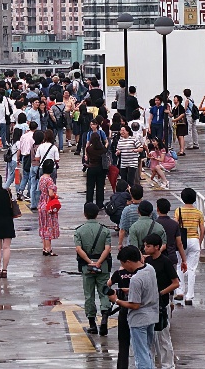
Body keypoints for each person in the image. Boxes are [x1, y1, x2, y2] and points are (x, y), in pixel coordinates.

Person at [107, 246, 158, 369]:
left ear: (128, 261)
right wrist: (129, 290)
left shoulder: (136, 279)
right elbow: (146, 289)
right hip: (152, 316)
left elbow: (135, 305)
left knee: (141, 355)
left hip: (139, 320)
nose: (123, 267)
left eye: (123, 264)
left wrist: (116, 300)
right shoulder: (150, 269)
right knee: (147, 351)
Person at [75, 203, 113, 336]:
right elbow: (107, 248)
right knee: (104, 292)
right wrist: (99, 262)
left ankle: (92, 324)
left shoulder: (79, 231)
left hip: (87, 266)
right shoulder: (104, 230)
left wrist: (90, 262)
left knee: (89, 295)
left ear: (85, 214)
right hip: (102, 266)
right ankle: (104, 319)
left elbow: (78, 249)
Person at [143, 233, 179, 369]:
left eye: (148, 246)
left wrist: (160, 293)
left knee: (163, 337)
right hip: (149, 305)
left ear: (157, 247)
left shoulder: (165, 262)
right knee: (150, 338)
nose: (145, 248)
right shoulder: (147, 262)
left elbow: (175, 283)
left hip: (162, 305)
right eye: (145, 246)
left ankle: (168, 365)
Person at [174, 188, 205, 305]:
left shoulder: (178, 211)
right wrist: (199, 241)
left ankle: (180, 291)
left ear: (182, 198)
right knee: (192, 269)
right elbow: (202, 229)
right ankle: (189, 296)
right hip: (194, 240)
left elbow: (175, 226)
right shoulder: (198, 213)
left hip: (182, 241)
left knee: (179, 266)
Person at [37, 159, 60, 256]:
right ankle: (48, 249)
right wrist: (55, 195)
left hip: (42, 203)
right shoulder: (49, 180)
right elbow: (50, 193)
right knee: (49, 226)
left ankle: (44, 247)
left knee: (43, 226)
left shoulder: (42, 178)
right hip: (48, 204)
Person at [84, 132, 108, 207]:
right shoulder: (103, 149)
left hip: (91, 168)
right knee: (100, 187)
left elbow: (88, 156)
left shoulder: (89, 149)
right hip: (101, 168)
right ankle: (99, 203)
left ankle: (89, 202)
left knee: (90, 186)